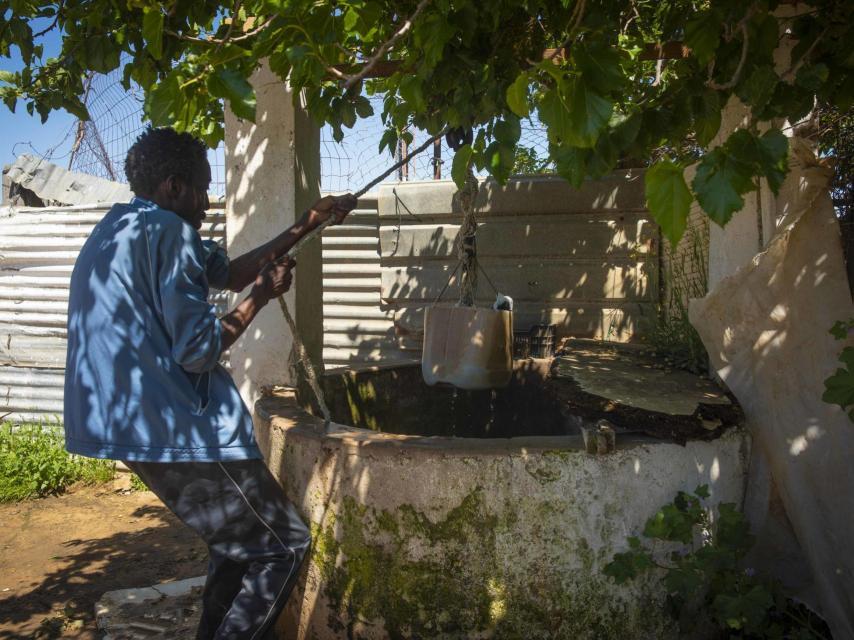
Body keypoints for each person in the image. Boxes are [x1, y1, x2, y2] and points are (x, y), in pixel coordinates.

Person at [63, 126, 357, 639]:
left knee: (237, 546)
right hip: (177, 427)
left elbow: (230, 272)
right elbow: (198, 351)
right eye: (201, 188)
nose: (206, 202)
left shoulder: (122, 227)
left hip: (126, 422)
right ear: (173, 186)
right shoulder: (171, 233)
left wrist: (306, 224)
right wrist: (262, 297)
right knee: (282, 547)